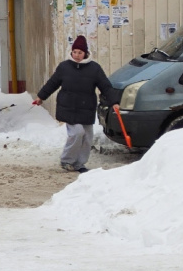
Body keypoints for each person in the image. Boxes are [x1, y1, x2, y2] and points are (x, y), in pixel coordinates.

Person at [34, 35, 120, 173]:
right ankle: (67, 160)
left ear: (85, 53)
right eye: (74, 52)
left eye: (80, 52)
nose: (77, 55)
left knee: (87, 137)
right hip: (68, 107)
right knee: (77, 133)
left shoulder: (94, 68)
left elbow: (106, 86)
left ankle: (79, 164)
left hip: (86, 107)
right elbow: (52, 83)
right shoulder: (64, 67)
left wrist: (114, 102)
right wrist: (41, 97)